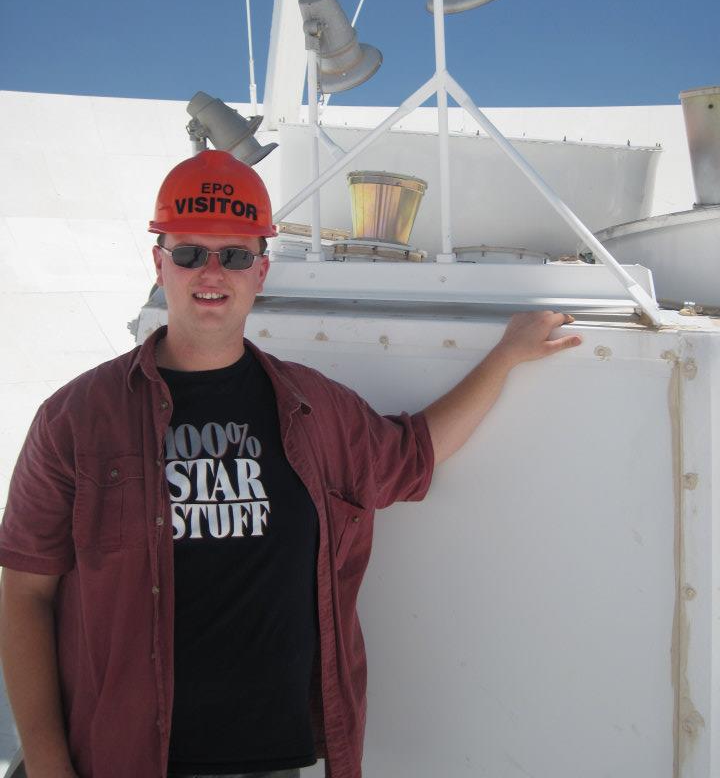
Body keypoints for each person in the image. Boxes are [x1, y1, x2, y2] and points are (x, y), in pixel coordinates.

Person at [0, 150, 581, 778]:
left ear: (262, 269)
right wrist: (50, 766)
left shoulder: (315, 409)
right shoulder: (76, 418)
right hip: (124, 758)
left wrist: (504, 358)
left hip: (272, 760)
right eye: (190, 252)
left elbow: (413, 455)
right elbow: (23, 594)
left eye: (236, 255)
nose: (211, 272)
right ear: (159, 263)